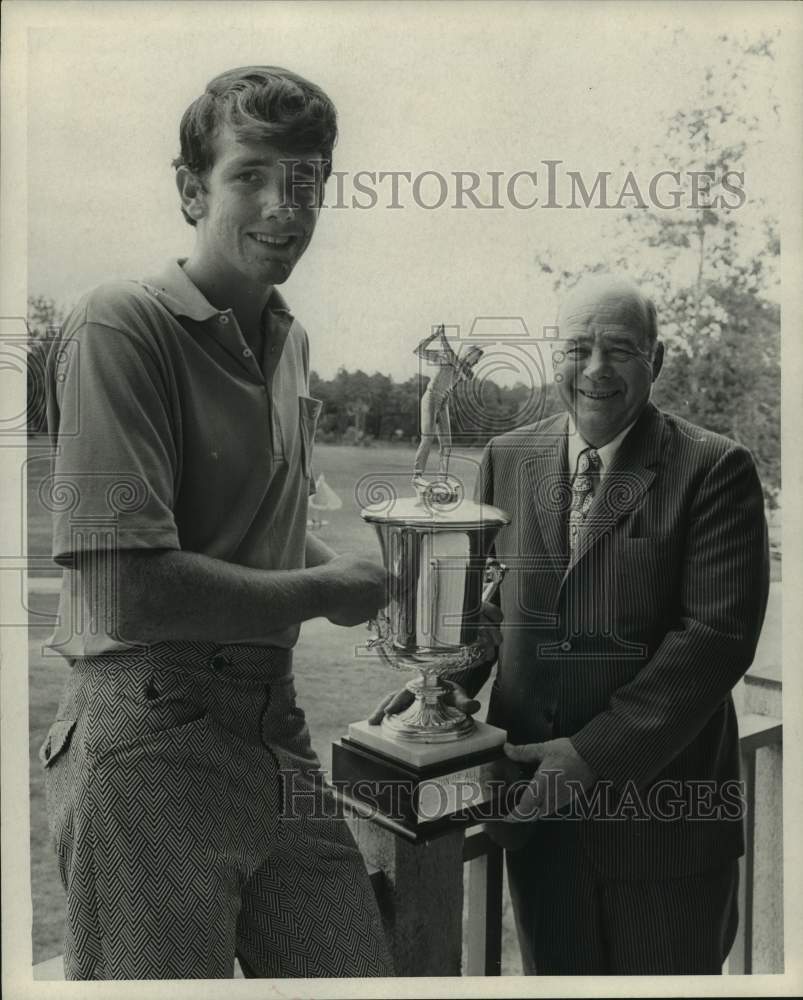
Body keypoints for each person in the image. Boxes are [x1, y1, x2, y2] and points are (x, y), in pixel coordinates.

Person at [39, 66, 394, 980]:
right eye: (250, 176)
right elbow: (128, 589)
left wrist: (361, 581)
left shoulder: (290, 339)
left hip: (274, 726)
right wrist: (328, 587)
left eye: (306, 180)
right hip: (150, 727)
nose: (283, 205)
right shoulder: (122, 324)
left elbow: (254, 528)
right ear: (192, 189)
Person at [383, 274, 770, 974]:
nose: (595, 370)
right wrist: (439, 682)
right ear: (554, 356)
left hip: (664, 833)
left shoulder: (715, 469)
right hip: (538, 822)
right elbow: (499, 602)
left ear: (658, 359)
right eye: (577, 348)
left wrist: (591, 756)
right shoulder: (509, 455)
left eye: (619, 349)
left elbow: (713, 640)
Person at [412, 325, 483, 478]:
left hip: (443, 403)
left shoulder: (467, 372)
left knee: (447, 445)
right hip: (430, 398)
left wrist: (442, 336)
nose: (476, 363)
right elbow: (418, 350)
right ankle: (417, 475)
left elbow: (454, 359)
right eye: (476, 358)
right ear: (469, 354)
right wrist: (434, 336)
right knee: (428, 437)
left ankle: (442, 479)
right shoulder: (443, 356)